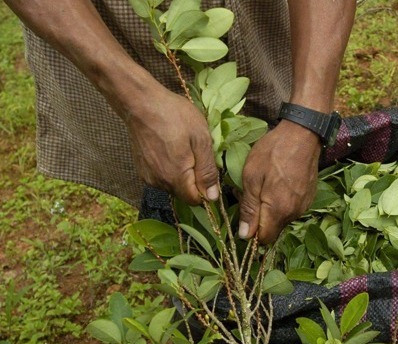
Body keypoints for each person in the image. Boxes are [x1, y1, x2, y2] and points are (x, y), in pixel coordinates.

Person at [4, 0, 356, 244]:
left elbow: (305, 115)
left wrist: (307, 117)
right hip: (112, 38)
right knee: (177, 183)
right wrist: (133, 98)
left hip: (258, 23)